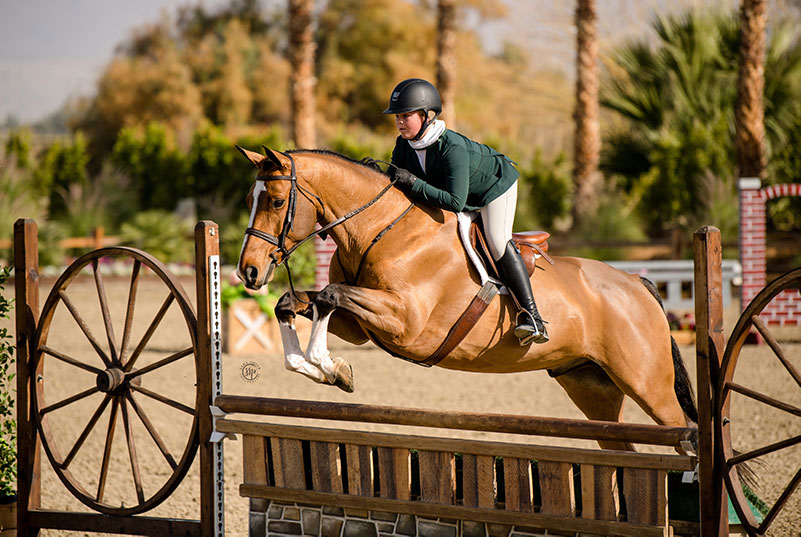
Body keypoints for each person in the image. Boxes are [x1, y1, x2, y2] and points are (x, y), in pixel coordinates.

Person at [382, 78, 548, 345]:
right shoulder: (404, 145)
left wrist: (413, 182)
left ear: (426, 116)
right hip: (462, 193)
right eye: (397, 116)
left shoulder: (452, 147)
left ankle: (533, 317)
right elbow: (395, 182)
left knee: (496, 241)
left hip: (493, 189)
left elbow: (455, 202)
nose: (400, 122)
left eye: (406, 115)